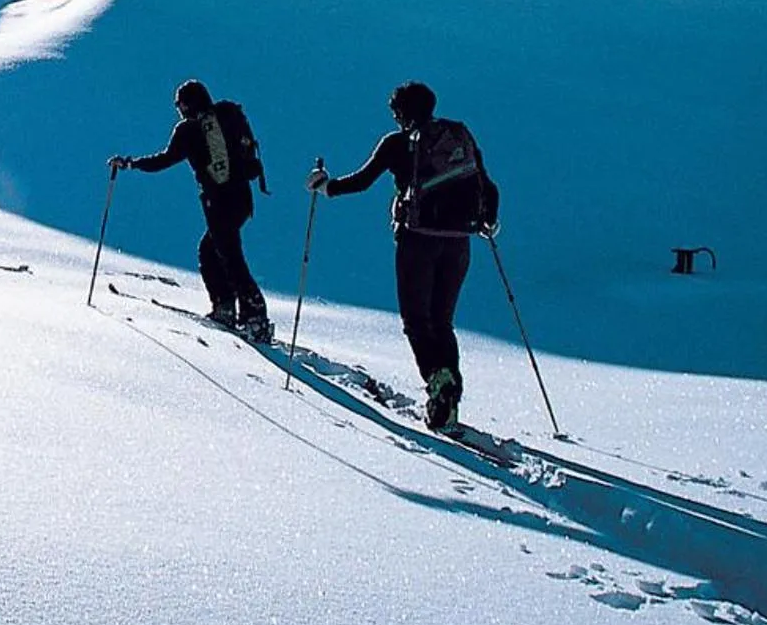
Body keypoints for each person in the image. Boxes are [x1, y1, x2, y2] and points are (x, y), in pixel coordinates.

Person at [308, 80, 499, 431]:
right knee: (442, 322)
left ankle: (438, 381)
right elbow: (488, 186)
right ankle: (449, 397)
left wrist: (326, 186)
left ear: (401, 113)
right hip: (459, 242)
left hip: (417, 242)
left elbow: (363, 181)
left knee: (416, 321)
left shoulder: (397, 144)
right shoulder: (459, 136)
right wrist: (488, 221)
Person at [109, 80, 274, 338]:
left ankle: (246, 315)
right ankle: (239, 311)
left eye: (180, 104)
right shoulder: (228, 115)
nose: (179, 110)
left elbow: (164, 160)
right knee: (215, 251)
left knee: (225, 254)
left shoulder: (188, 130)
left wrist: (131, 164)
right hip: (242, 198)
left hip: (218, 200)